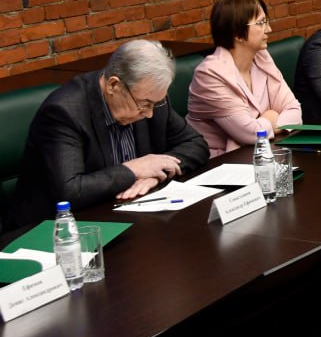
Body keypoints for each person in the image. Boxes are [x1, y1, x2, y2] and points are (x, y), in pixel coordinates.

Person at [8, 39, 210, 227]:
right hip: (56, 228)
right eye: (145, 104)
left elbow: (196, 144)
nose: (149, 114)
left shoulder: (151, 99)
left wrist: (156, 175)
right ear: (114, 85)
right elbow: (70, 191)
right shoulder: (65, 112)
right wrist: (134, 169)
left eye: (155, 104)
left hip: (126, 213)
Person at [186, 0, 303, 157]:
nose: (269, 29)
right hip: (219, 163)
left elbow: (295, 111)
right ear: (237, 34)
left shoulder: (261, 57)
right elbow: (251, 133)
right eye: (261, 23)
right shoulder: (210, 74)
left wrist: (262, 124)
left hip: (260, 153)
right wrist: (271, 117)